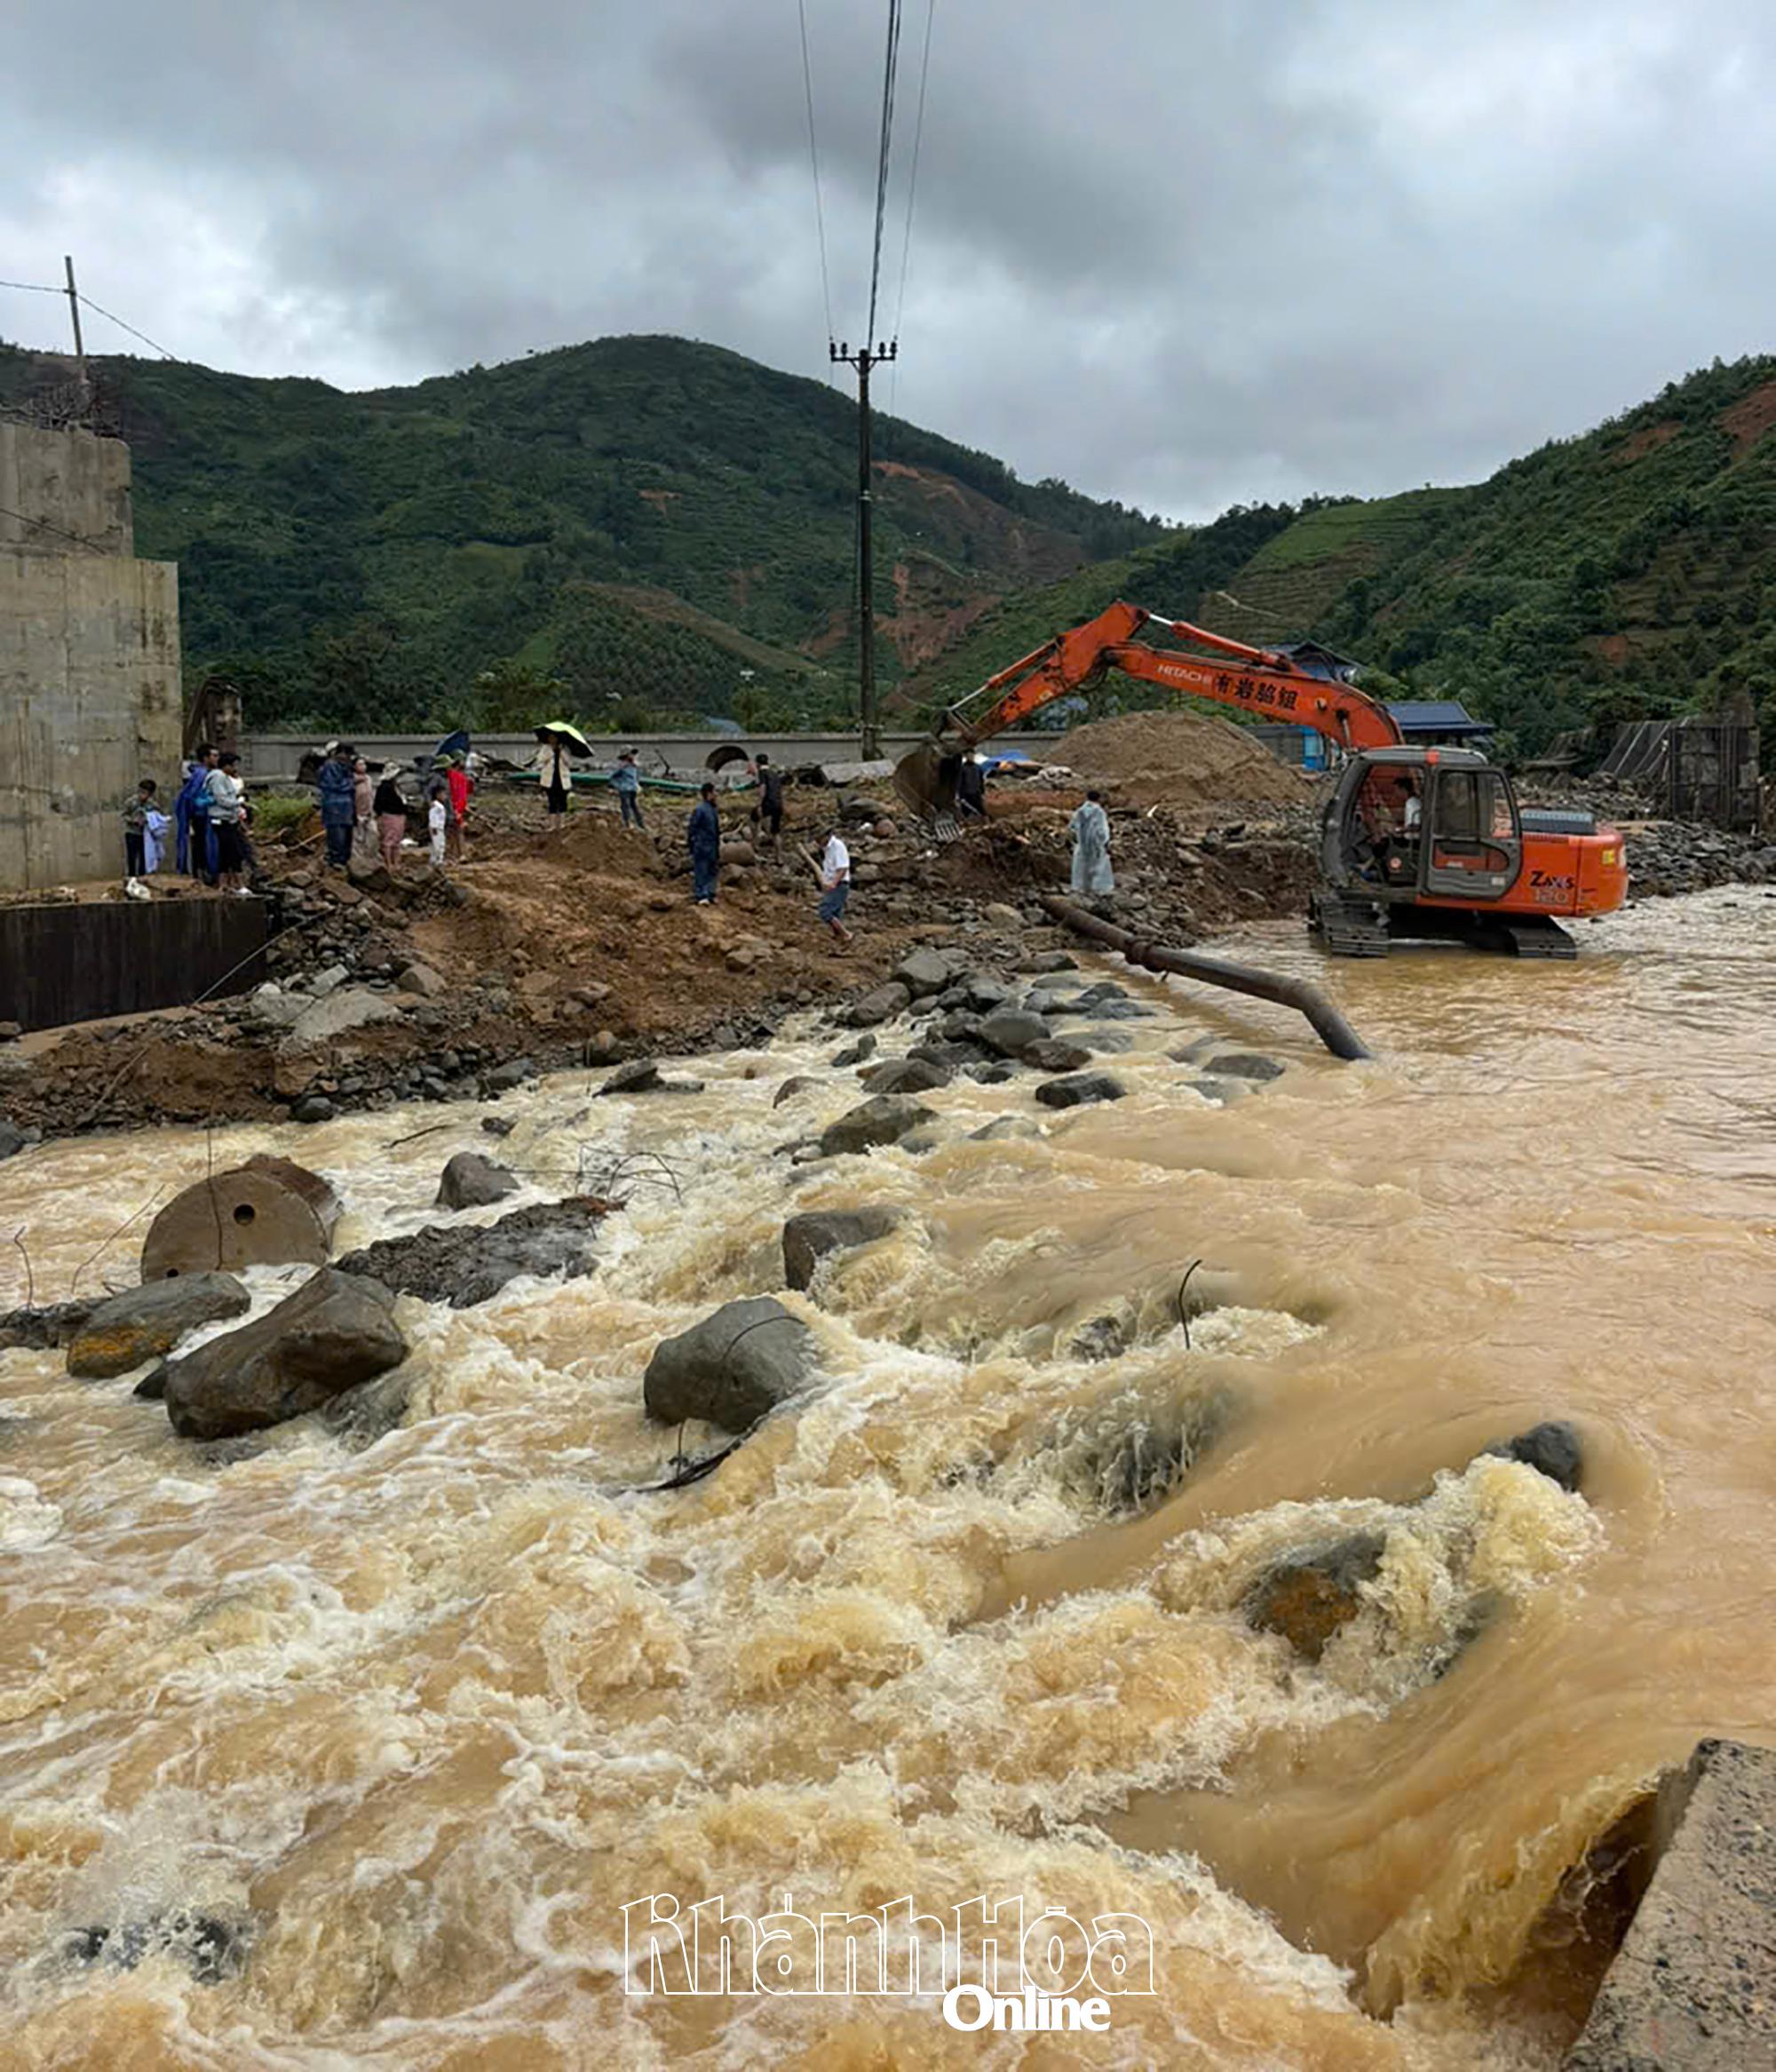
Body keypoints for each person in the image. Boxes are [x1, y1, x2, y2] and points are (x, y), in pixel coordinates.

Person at [205, 751, 251, 896]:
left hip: (228, 819)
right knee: (234, 852)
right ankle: (239, 885)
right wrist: (238, 803)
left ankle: (223, 885)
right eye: (234, 766)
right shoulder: (218, 777)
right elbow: (222, 800)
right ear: (226, 766)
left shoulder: (223, 777)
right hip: (222, 820)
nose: (236, 769)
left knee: (225, 855)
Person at [177, 744, 218, 883]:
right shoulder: (201, 774)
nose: (216, 758)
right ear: (206, 758)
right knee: (202, 845)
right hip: (201, 816)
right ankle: (201, 873)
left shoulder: (204, 773)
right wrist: (212, 800)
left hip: (205, 815)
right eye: (214, 756)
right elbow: (193, 797)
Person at [317, 742, 357, 867]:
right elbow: (332, 785)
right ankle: (336, 862)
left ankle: (344, 861)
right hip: (335, 807)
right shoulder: (330, 766)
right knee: (337, 838)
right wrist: (351, 783)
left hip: (346, 809)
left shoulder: (345, 767)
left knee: (346, 838)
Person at [1069, 790, 1114, 896]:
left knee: (1081, 867)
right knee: (1098, 867)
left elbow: (1072, 826)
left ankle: (1080, 888)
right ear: (1098, 799)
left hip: (1081, 844)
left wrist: (1077, 838)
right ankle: (1097, 889)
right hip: (1096, 845)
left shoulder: (1080, 811)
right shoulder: (1099, 812)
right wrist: (1105, 841)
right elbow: (1102, 829)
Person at [819, 822, 854, 948]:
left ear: (827, 836)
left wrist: (833, 883)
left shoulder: (837, 846)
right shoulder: (826, 849)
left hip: (840, 883)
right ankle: (838, 938)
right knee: (835, 913)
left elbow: (843, 867)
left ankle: (846, 934)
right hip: (833, 884)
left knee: (825, 911)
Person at [687, 782, 721, 905]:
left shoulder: (712, 809)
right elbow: (692, 829)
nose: (716, 794)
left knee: (712, 870)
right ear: (709, 794)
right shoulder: (700, 810)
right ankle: (701, 895)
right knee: (701, 870)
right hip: (702, 845)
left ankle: (711, 893)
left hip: (712, 845)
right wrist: (692, 844)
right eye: (715, 792)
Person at [374, 765, 408, 869]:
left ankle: (395, 862)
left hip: (398, 815)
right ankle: (389, 863)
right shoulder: (385, 787)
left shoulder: (395, 786)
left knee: (396, 840)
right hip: (390, 815)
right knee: (389, 840)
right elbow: (379, 804)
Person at [123, 779, 155, 880]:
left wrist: (147, 820)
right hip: (132, 832)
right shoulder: (131, 802)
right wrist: (133, 821)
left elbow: (155, 816)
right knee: (132, 857)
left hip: (145, 834)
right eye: (141, 792)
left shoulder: (152, 804)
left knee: (144, 857)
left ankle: (143, 877)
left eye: (146, 793)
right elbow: (124, 815)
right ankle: (131, 878)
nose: (143, 795)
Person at [752, 753, 785, 845]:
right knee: (776, 832)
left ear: (757, 763)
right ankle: (779, 857)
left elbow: (762, 789)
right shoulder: (774, 773)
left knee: (754, 818)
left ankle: (756, 842)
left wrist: (759, 805)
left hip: (768, 803)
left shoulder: (762, 773)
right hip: (778, 804)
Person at [351, 757, 377, 867]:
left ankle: (370, 858)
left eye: (364, 764)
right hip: (357, 813)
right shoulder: (351, 780)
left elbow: (370, 795)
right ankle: (359, 862)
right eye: (360, 764)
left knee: (373, 834)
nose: (363, 767)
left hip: (369, 812)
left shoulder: (368, 779)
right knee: (358, 838)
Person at [447, 753, 474, 857]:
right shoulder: (461, 778)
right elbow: (463, 796)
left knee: (453, 832)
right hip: (457, 807)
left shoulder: (451, 776)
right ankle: (460, 853)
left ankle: (456, 854)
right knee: (457, 832)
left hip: (451, 808)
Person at [613, 748, 645, 830]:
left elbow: (636, 778)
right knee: (626, 805)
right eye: (631, 754)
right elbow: (613, 777)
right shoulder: (622, 767)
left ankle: (640, 824)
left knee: (634, 806)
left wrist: (637, 785)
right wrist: (618, 786)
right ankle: (627, 823)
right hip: (624, 789)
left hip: (632, 789)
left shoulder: (634, 767)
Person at [541, 735, 571, 821]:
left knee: (562, 802)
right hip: (550, 779)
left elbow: (568, 762)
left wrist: (561, 751)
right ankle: (552, 824)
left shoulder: (565, 748)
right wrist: (551, 752)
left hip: (562, 779)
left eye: (554, 738)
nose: (552, 740)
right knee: (552, 802)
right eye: (550, 738)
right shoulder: (546, 748)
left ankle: (562, 823)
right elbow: (541, 759)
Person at [955, 755, 987, 821]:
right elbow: (959, 782)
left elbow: (981, 780)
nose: (970, 757)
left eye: (971, 755)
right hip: (966, 793)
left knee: (981, 811)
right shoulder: (962, 769)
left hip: (976, 792)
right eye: (969, 755)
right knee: (965, 812)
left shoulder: (978, 767)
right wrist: (960, 795)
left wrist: (982, 791)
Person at [427, 789, 448, 868]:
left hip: (440, 827)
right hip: (436, 828)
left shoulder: (440, 806)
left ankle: (435, 860)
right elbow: (432, 817)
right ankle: (438, 861)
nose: (445, 797)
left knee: (438, 845)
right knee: (438, 845)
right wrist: (433, 827)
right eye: (443, 794)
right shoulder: (436, 806)